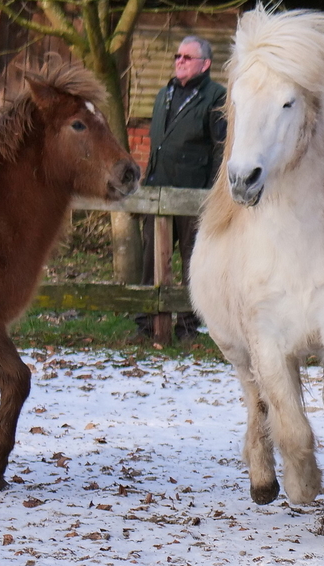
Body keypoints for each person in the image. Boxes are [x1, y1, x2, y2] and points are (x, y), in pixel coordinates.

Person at [135, 35, 226, 342]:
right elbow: (157, 145)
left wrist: (210, 192)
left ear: (206, 64)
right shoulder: (165, 94)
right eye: (178, 56)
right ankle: (146, 326)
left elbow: (220, 147)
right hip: (159, 189)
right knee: (151, 260)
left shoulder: (216, 97)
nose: (180, 61)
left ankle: (188, 328)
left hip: (193, 195)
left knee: (192, 263)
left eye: (188, 57)